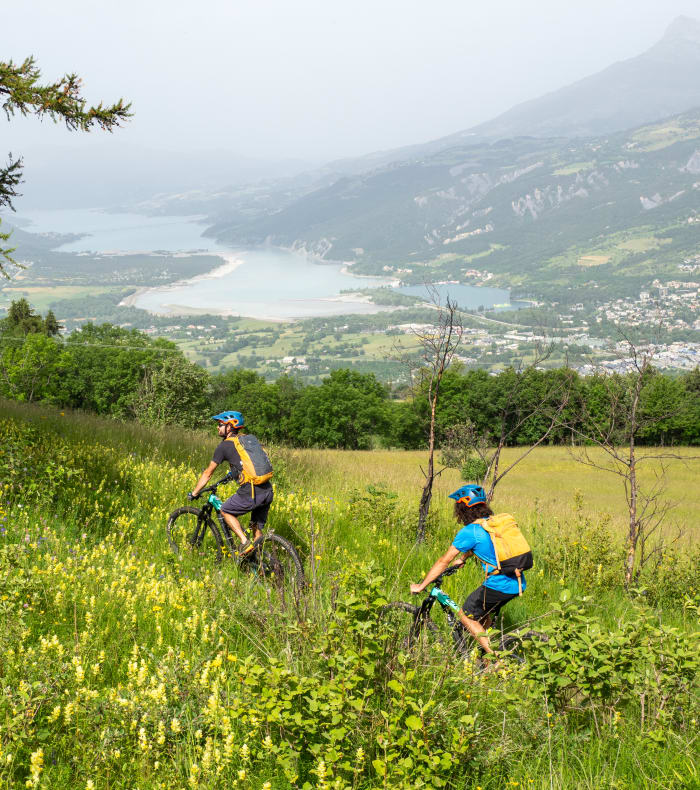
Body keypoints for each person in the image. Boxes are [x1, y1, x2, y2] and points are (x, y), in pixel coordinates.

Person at [409, 484, 526, 655]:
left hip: (500, 584)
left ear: (463, 507)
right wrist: (463, 559)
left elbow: (443, 561)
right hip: (517, 581)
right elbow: (487, 545)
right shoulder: (491, 523)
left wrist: (421, 586)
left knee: (466, 616)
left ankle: (497, 660)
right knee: (481, 616)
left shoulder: (470, 531)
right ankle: (485, 658)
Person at [188, 411, 274, 558]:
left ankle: (244, 542)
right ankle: (260, 562)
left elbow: (208, 473)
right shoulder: (245, 440)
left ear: (229, 427)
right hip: (266, 489)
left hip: (251, 492)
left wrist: (195, 493)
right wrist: (231, 475)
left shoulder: (224, 446)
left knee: (225, 510)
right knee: (256, 528)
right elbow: (243, 464)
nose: (217, 427)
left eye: (220, 424)